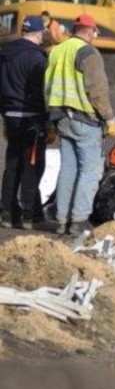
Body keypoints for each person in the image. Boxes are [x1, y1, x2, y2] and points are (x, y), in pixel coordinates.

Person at [44, 14, 115, 235]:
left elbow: (47, 86)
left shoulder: (57, 51)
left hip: (61, 118)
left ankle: (61, 220)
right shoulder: (88, 52)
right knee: (90, 169)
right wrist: (109, 118)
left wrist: (50, 120)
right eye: (96, 32)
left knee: (68, 169)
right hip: (85, 119)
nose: (95, 36)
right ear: (89, 31)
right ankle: (78, 220)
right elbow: (97, 90)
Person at [0, 16, 51, 229]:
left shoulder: (5, 54)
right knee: (32, 165)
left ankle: (7, 214)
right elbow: (43, 90)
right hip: (32, 117)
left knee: (12, 164)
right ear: (39, 33)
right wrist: (48, 118)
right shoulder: (38, 58)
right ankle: (32, 216)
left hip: (10, 115)